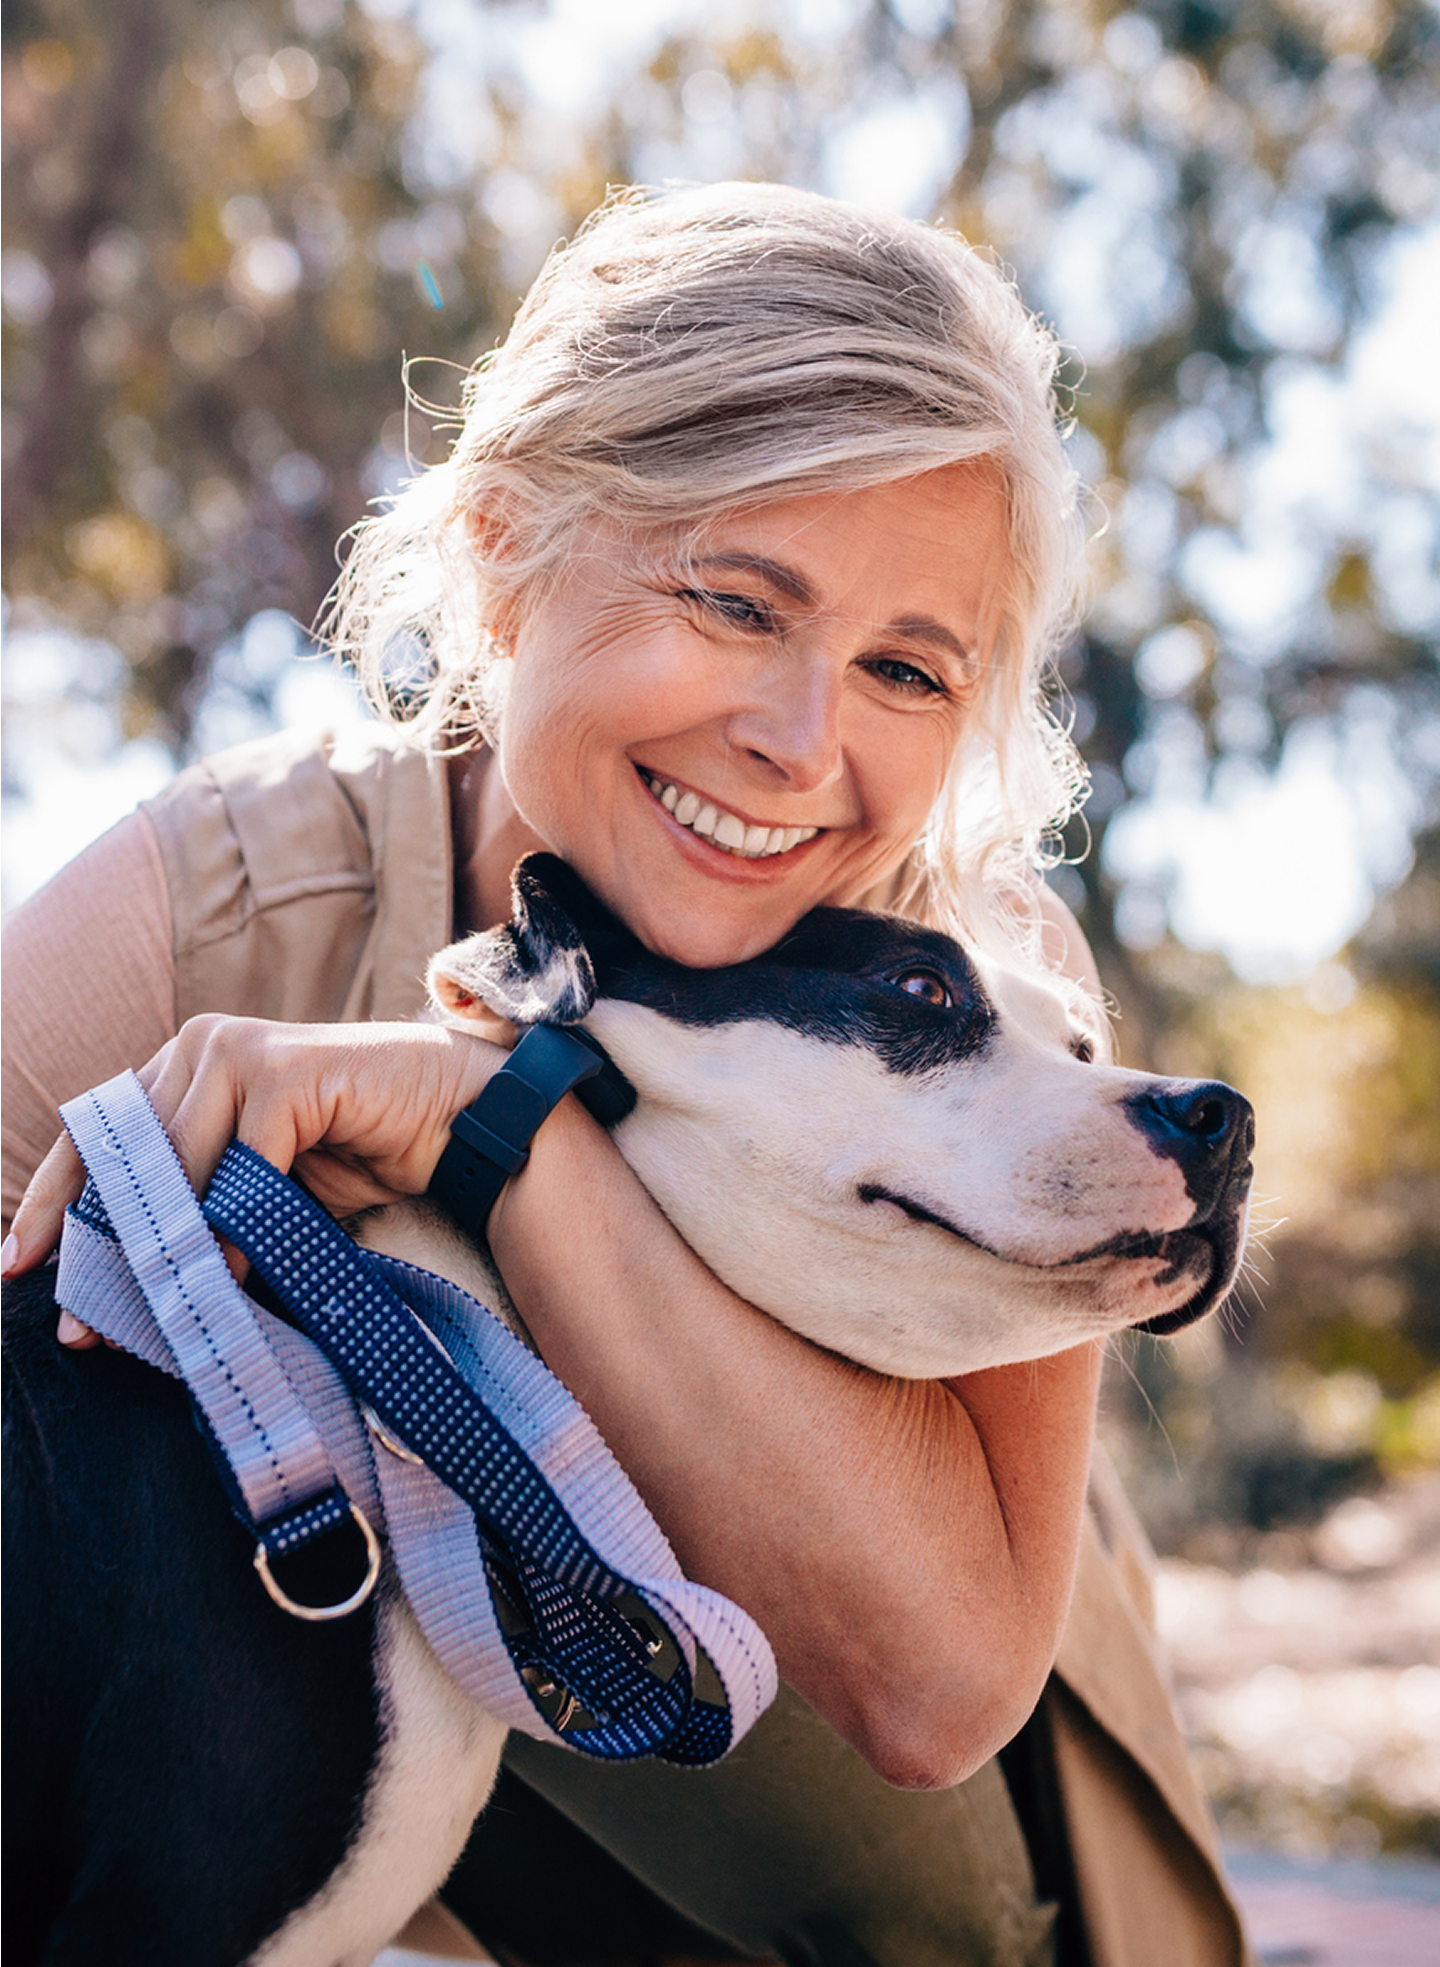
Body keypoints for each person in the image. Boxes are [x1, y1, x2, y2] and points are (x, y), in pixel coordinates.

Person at [2, 183, 1252, 1967]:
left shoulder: (992, 994)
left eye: (905, 668)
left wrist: (483, 1116)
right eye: (739, 603)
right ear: (508, 546)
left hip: (914, 1870)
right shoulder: (222, 901)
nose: (800, 743)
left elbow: (936, 1684)